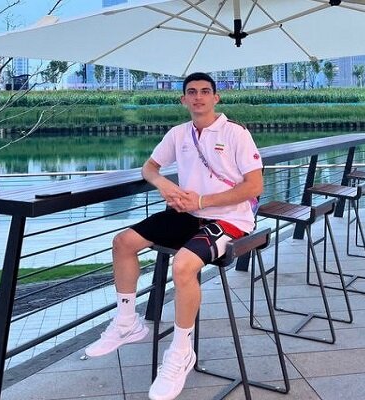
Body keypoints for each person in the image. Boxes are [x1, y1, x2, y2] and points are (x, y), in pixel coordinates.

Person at [85, 72, 263, 400]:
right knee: (123, 243)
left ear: (216, 98)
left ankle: (181, 351)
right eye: (192, 92)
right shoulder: (178, 134)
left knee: (182, 265)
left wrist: (202, 201)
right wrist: (165, 185)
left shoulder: (236, 133)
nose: (198, 97)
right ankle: (127, 322)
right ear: (183, 100)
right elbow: (149, 167)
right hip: (187, 215)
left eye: (205, 91)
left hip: (230, 220)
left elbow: (254, 186)